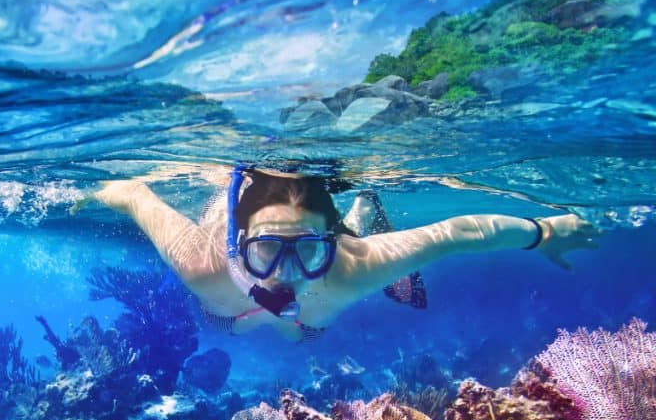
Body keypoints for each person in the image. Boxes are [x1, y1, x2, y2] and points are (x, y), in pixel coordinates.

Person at [74, 167, 600, 342]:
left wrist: (544, 230)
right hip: (227, 309)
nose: (285, 272)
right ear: (239, 245)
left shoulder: (352, 267)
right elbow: (133, 193)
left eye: (306, 250)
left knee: (303, 333)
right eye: (265, 250)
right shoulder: (201, 263)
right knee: (225, 324)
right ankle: (357, 216)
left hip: (319, 296)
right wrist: (82, 194)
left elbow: (457, 232)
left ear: (329, 244)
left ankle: (360, 214)